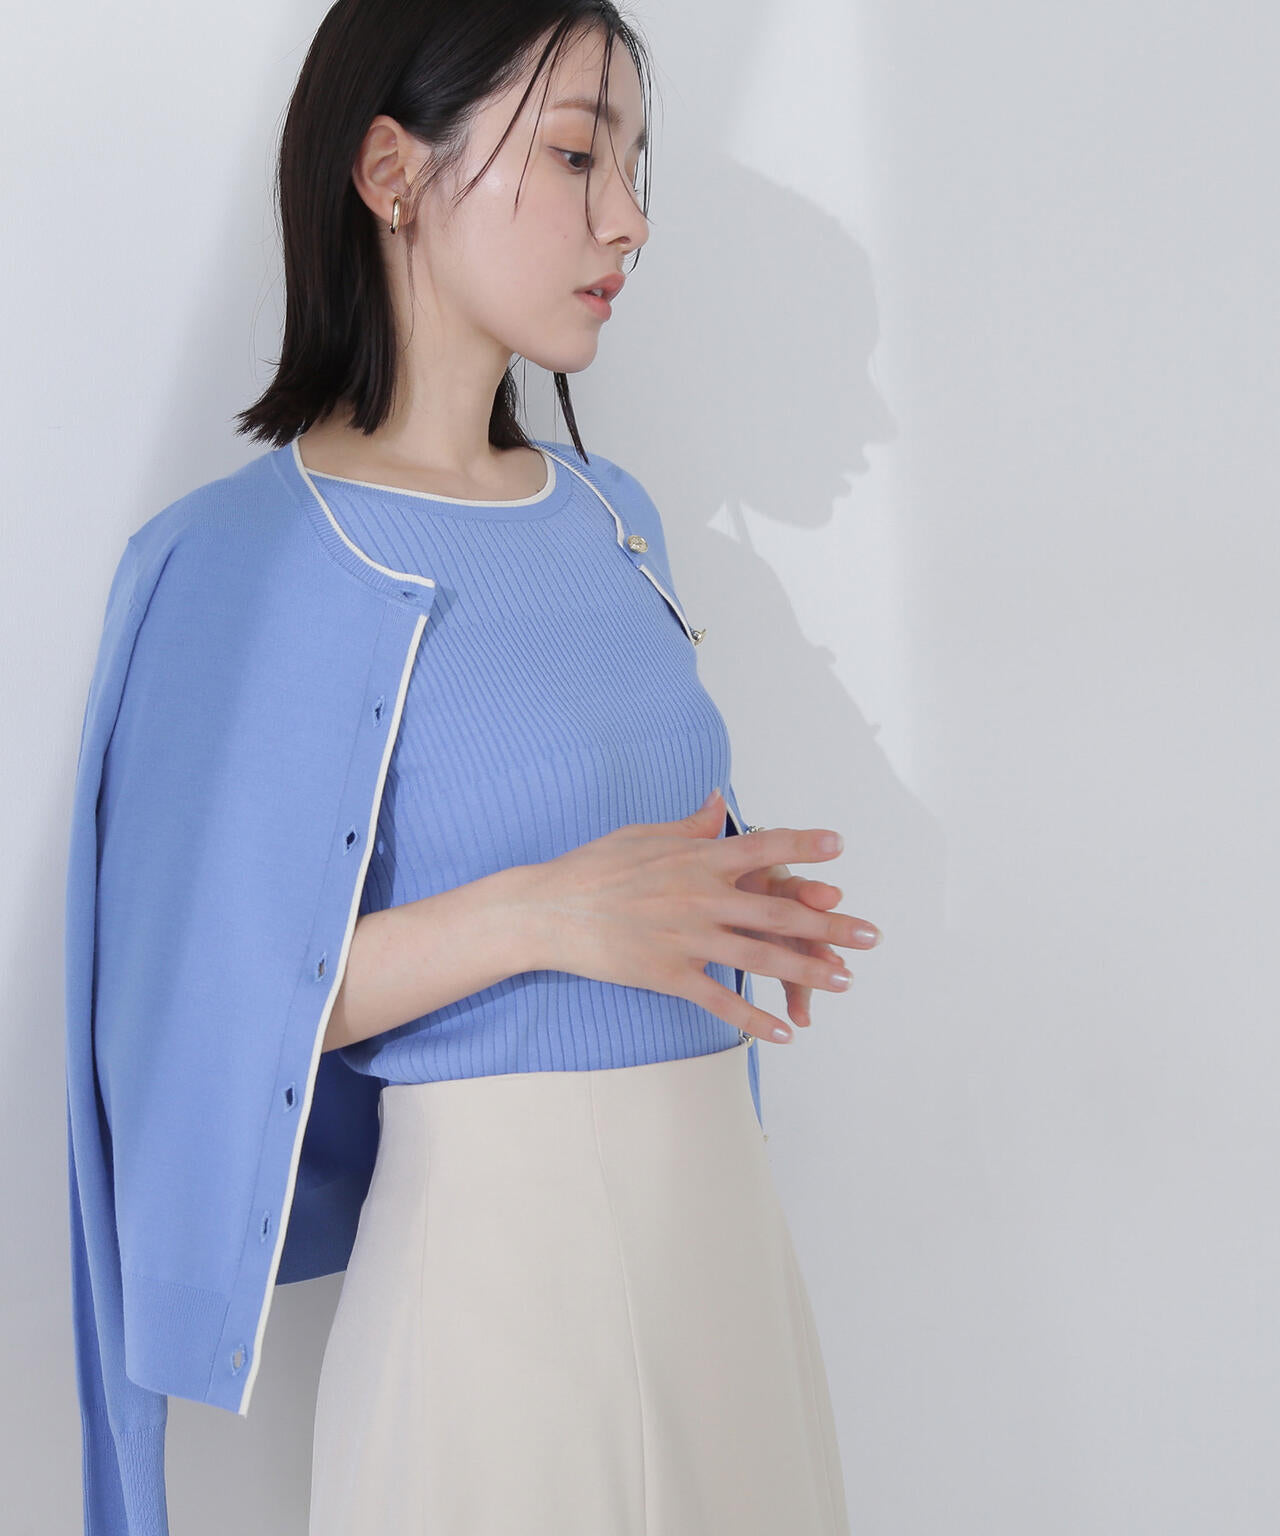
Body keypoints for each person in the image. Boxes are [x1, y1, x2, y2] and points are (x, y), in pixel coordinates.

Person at [66, 3, 882, 1532]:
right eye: (576, 153)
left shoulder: (614, 515)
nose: (628, 218)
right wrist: (544, 915)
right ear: (391, 171)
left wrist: (727, 904)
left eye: (634, 164)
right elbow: (187, 1014)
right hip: (497, 1303)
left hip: (729, 1258)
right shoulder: (240, 561)